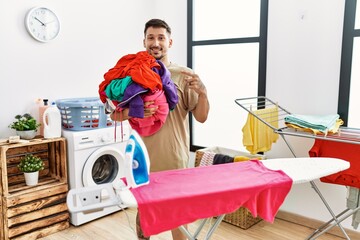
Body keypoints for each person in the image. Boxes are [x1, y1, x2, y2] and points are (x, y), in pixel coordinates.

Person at [110, 18, 210, 240]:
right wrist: (133, 112)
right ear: (144, 41)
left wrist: (203, 92)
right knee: (145, 219)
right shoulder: (132, 74)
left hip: (175, 160)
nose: (156, 43)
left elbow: (201, 117)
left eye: (161, 38)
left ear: (170, 42)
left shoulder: (183, 75)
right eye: (151, 37)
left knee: (178, 219)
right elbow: (114, 115)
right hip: (141, 161)